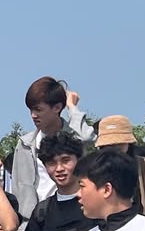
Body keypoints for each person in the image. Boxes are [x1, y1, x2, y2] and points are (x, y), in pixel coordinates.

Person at [9, 77, 95, 208]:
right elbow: (18, 187)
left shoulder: (74, 138)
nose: (33, 115)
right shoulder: (25, 144)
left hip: (75, 210)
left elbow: (87, 137)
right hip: (35, 216)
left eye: (38, 109)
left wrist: (72, 107)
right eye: (31, 110)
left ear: (57, 107)